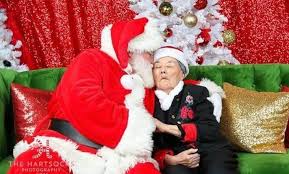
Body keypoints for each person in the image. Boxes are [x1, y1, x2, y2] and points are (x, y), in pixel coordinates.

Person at [8, 17, 164, 174]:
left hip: (120, 160)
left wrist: (165, 156)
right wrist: (132, 127)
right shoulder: (92, 58)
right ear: (132, 50)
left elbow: (161, 131)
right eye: (150, 53)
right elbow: (81, 99)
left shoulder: (147, 88)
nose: (153, 61)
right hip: (66, 145)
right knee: (34, 164)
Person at [151, 46, 238, 174]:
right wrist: (170, 159)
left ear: (182, 73)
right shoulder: (147, 100)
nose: (163, 70)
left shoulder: (197, 92)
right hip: (177, 155)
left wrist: (165, 127)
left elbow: (209, 128)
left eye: (169, 66)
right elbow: (148, 144)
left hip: (211, 149)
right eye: (157, 67)